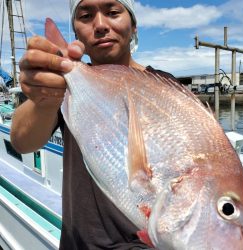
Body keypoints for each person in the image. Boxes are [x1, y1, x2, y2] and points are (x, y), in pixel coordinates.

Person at [10, 0, 176, 249]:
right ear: (76, 32)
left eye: (112, 12)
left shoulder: (166, 87)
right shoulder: (67, 84)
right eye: (86, 16)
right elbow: (22, 141)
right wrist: (46, 99)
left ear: (134, 26)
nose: (100, 25)